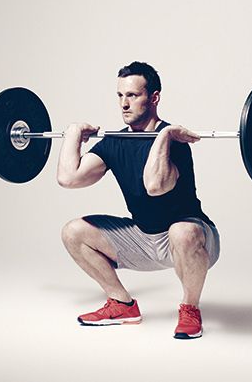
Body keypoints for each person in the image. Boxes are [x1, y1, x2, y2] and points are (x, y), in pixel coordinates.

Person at [56, 61, 220, 339]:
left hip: (191, 238)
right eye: (120, 96)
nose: (124, 104)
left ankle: (190, 309)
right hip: (143, 238)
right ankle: (121, 304)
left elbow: (155, 186)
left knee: (182, 230)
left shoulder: (176, 140)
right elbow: (69, 178)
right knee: (73, 232)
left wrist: (165, 134)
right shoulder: (114, 143)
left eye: (132, 95)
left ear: (154, 97)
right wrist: (72, 134)